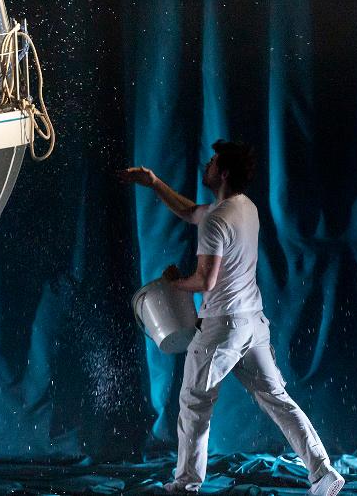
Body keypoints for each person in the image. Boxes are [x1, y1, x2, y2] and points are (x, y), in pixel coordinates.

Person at [120, 140, 345, 496]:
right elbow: (192, 211)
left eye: (211, 162)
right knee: (277, 398)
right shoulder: (245, 208)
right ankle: (323, 472)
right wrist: (154, 183)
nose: (206, 165)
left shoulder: (215, 222)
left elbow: (205, 280)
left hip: (222, 327)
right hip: (253, 324)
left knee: (194, 403)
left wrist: (174, 282)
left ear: (222, 172)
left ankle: (184, 486)